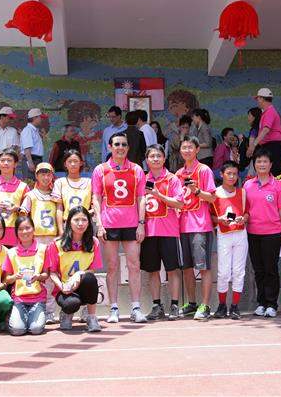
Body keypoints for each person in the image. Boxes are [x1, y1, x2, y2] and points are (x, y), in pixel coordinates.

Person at [92, 132, 147, 323]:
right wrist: (99, 224)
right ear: (110, 147)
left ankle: (136, 307)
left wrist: (141, 224)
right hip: (109, 224)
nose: (120, 147)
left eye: (124, 144)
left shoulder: (136, 169)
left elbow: (141, 198)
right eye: (117, 144)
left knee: (134, 265)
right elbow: (96, 198)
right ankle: (114, 308)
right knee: (112, 266)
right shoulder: (100, 170)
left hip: (132, 224)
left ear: (128, 148)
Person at [244, 148, 281, 317]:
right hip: (253, 232)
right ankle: (261, 303)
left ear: (270, 165)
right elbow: (245, 210)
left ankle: (272, 304)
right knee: (258, 270)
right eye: (259, 161)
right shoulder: (248, 185)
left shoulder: (278, 185)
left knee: (271, 269)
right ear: (254, 164)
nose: (262, 164)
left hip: (273, 233)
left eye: (265, 161)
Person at [175, 136, 217, 320]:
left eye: (190, 147)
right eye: (184, 147)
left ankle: (205, 305)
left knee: (204, 267)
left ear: (197, 149)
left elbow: (212, 198)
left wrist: (197, 191)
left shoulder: (204, 170)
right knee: (186, 268)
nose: (187, 150)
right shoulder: (178, 174)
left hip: (200, 225)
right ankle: (192, 303)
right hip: (181, 226)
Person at [141, 144, 184, 321]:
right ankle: (157, 305)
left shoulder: (172, 179)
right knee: (152, 271)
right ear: (146, 160)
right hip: (148, 232)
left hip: (169, 231)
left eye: (159, 156)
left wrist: (159, 195)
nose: (156, 159)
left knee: (172, 270)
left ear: (164, 159)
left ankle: (174, 305)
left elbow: (179, 203)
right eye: (152, 156)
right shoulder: (142, 179)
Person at [48, 206, 102, 332]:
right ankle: (66, 313)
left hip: (82, 286)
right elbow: (52, 272)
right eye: (76, 220)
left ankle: (91, 317)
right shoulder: (57, 244)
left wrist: (79, 274)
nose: (80, 223)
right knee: (71, 303)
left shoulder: (94, 242)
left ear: (89, 222)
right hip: (65, 289)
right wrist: (62, 287)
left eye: (84, 220)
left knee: (90, 278)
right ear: (68, 222)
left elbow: (92, 270)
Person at [20, 162, 60, 324]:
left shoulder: (56, 196)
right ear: (36, 176)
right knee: (36, 274)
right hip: (36, 239)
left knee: (51, 276)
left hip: (53, 239)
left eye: (48, 174)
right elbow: (23, 215)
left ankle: (50, 311)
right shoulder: (31, 195)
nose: (45, 177)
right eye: (42, 174)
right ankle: (35, 307)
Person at [211, 161, 248, 320]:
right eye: (229, 173)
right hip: (224, 234)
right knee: (223, 272)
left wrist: (243, 219)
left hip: (240, 234)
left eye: (235, 174)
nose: (232, 177)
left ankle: (235, 306)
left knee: (239, 271)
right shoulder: (214, 193)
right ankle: (221, 305)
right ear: (222, 174)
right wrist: (220, 220)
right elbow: (211, 216)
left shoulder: (242, 192)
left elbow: (247, 213)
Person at [3, 216, 50, 335]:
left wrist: (38, 276)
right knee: (17, 330)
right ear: (16, 232)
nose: (24, 232)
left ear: (34, 229)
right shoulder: (11, 252)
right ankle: (13, 316)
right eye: (20, 229)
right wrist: (15, 277)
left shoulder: (43, 249)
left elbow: (46, 274)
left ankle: (35, 314)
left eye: (27, 228)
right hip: (19, 298)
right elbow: (7, 279)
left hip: (38, 298)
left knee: (36, 329)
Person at [0, 149, 30, 247]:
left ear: (15, 164)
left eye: (9, 160)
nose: (5, 163)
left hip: (17, 235)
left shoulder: (24, 187)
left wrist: (17, 209)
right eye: (2, 160)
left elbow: (28, 213)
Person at [52, 150, 93, 235]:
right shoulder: (60, 182)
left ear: (81, 163)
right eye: (70, 161)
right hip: (67, 224)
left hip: (85, 225)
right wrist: (61, 230)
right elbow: (59, 209)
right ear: (65, 164)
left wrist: (84, 214)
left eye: (76, 161)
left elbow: (95, 206)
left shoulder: (89, 182)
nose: (73, 164)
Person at [248, 89, 281, 177]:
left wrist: (253, 145)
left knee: (274, 174)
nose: (257, 101)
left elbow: (266, 129)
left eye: (258, 99)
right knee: (269, 174)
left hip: (273, 147)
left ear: (262, 98)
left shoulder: (270, 111)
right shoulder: (267, 112)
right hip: (270, 146)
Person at [20, 108, 48, 180]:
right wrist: (30, 162)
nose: (41, 120)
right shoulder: (28, 130)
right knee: (30, 182)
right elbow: (27, 148)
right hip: (32, 159)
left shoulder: (35, 130)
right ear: (35, 118)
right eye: (40, 117)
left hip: (36, 160)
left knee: (36, 182)